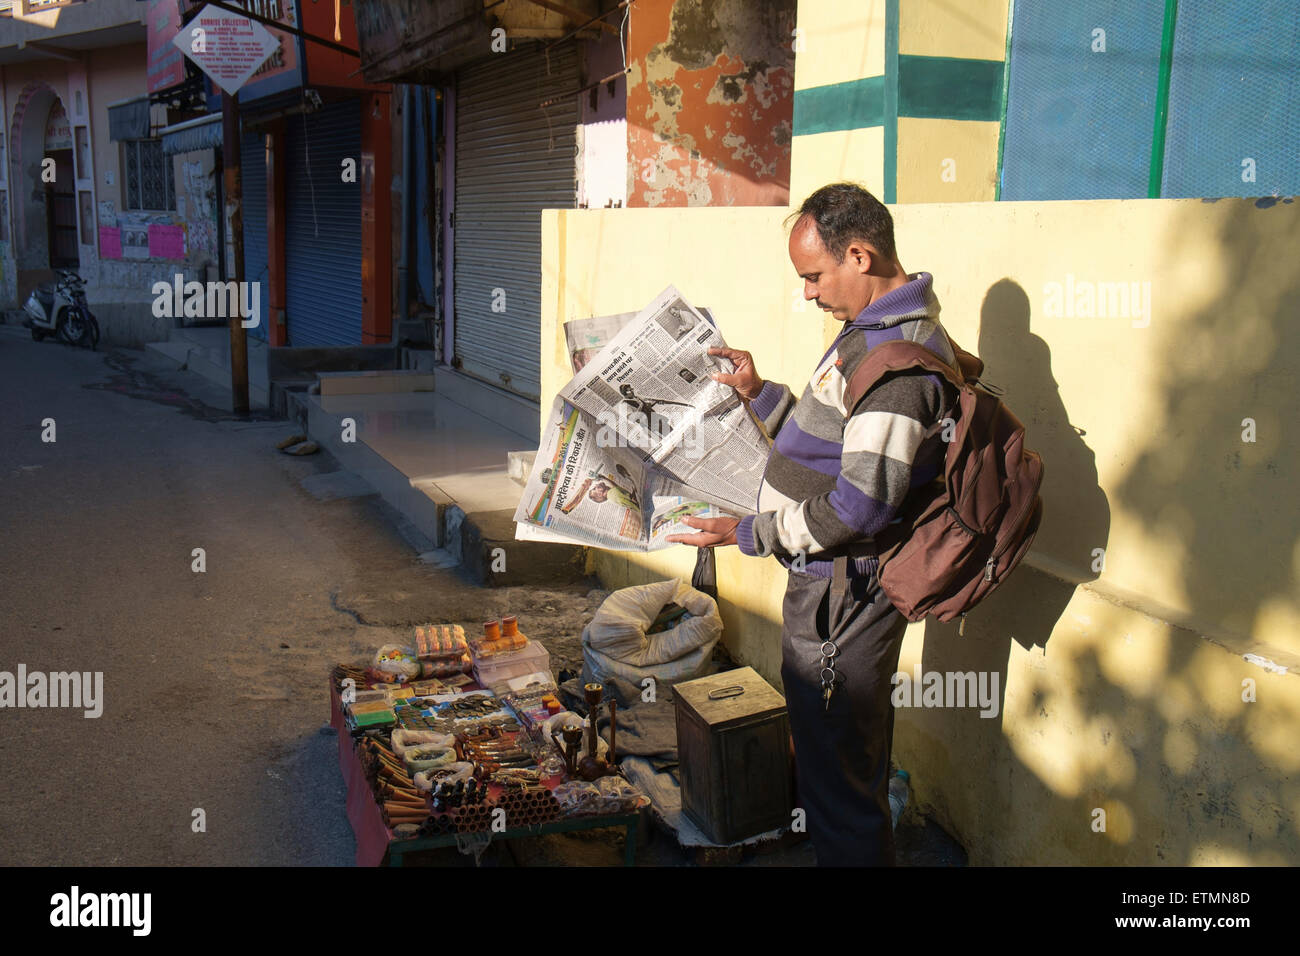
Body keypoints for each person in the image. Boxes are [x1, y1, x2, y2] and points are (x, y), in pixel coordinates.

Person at [666, 182, 958, 866]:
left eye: (814, 277)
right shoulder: (869, 332)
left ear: (859, 254)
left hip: (843, 597)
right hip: (831, 590)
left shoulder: (894, 366)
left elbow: (859, 507)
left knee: (839, 789)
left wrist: (748, 534)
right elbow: (830, 442)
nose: (807, 294)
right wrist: (759, 394)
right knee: (841, 767)